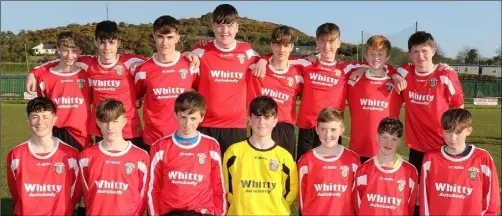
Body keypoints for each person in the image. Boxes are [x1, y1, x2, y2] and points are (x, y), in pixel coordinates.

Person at [25, 21, 200, 152]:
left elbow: (160, 62)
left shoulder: (132, 61)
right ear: (95, 43)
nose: (107, 48)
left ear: (118, 43)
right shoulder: (88, 64)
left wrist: (186, 55)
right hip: (103, 128)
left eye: (111, 42)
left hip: (131, 131)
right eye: (102, 42)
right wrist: (35, 71)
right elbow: (64, 60)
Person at [396, 31, 465, 213]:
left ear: (433, 51)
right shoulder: (404, 73)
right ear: (410, 54)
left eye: (425, 51)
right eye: (416, 52)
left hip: (444, 148)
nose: (420, 56)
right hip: (417, 148)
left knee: (443, 196)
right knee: (417, 198)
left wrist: (457, 142)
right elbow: (380, 66)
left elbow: (461, 112)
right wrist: (394, 76)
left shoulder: (446, 75)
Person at [190, 4, 262, 154]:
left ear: (237, 27)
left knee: (233, 175)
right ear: (213, 26)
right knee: (207, 174)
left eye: (229, 26)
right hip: (206, 125)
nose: (225, 31)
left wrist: (264, 61)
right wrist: (185, 53)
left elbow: (273, 60)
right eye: (220, 25)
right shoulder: (200, 50)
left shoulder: (247, 52)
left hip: (236, 127)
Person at [148, 91, 225, 216]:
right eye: (183, 117)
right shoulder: (160, 146)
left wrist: (219, 214)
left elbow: (218, 186)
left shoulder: (211, 145)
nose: (187, 123)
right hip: (170, 212)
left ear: (202, 117)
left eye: (193, 118)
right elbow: (153, 188)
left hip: (201, 212)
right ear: (175, 115)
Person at [223, 96, 297, 215]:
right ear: (249, 119)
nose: (261, 122)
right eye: (257, 117)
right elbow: (227, 188)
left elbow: (290, 191)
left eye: (267, 117)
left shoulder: (284, 157)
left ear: (275, 121)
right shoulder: (234, 152)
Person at [7, 97, 81, 215]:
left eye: (46, 117)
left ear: (55, 120)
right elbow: (15, 191)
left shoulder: (71, 155)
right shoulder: (16, 155)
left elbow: (75, 192)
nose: (40, 122)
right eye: (35, 117)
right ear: (28, 120)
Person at [134, 15, 199, 150]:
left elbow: (203, 93)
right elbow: (136, 99)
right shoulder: (143, 70)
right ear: (153, 37)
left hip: (184, 139)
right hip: (153, 140)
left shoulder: (190, 65)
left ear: (177, 38)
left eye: (169, 37)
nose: (165, 42)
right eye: (160, 37)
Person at [420, 108, 500, 215]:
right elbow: (424, 198)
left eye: (458, 132)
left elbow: (492, 201)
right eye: (448, 132)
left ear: (469, 131)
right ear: (441, 130)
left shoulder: (482, 158)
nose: (452, 138)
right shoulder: (430, 159)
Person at [79, 98, 150, 215]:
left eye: (115, 121)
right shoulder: (86, 157)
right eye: (105, 121)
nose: (110, 127)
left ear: (124, 121)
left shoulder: (141, 157)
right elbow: (88, 195)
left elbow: (142, 197)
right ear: (97, 122)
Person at [247, 25, 303, 157]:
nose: (282, 49)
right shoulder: (256, 68)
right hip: (262, 125)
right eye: (277, 45)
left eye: (285, 45)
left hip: (285, 129)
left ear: (291, 47)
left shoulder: (298, 74)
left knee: (284, 173)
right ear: (271, 46)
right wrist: (263, 59)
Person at [346, 35, 403, 163]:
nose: (376, 58)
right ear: (366, 56)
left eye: (380, 54)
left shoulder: (396, 84)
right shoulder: (354, 80)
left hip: (385, 152)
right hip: (358, 151)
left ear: (387, 58)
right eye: (372, 54)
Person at [33, 31, 93, 151]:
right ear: (58, 49)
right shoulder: (45, 78)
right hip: (55, 134)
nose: (69, 55)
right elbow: (42, 110)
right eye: (65, 50)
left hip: (82, 137)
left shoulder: (87, 77)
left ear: (80, 51)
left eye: (74, 51)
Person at [297, 107, 360, 215]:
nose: (328, 135)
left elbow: (356, 197)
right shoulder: (306, 160)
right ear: (317, 130)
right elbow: (302, 198)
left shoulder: (353, 160)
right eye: (323, 129)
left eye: (333, 130)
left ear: (342, 130)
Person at [354, 117, 418, 215]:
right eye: (385, 137)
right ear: (377, 137)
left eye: (394, 139)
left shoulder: (410, 172)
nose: (389, 143)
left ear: (400, 142)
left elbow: (409, 207)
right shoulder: (363, 170)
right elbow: (358, 206)